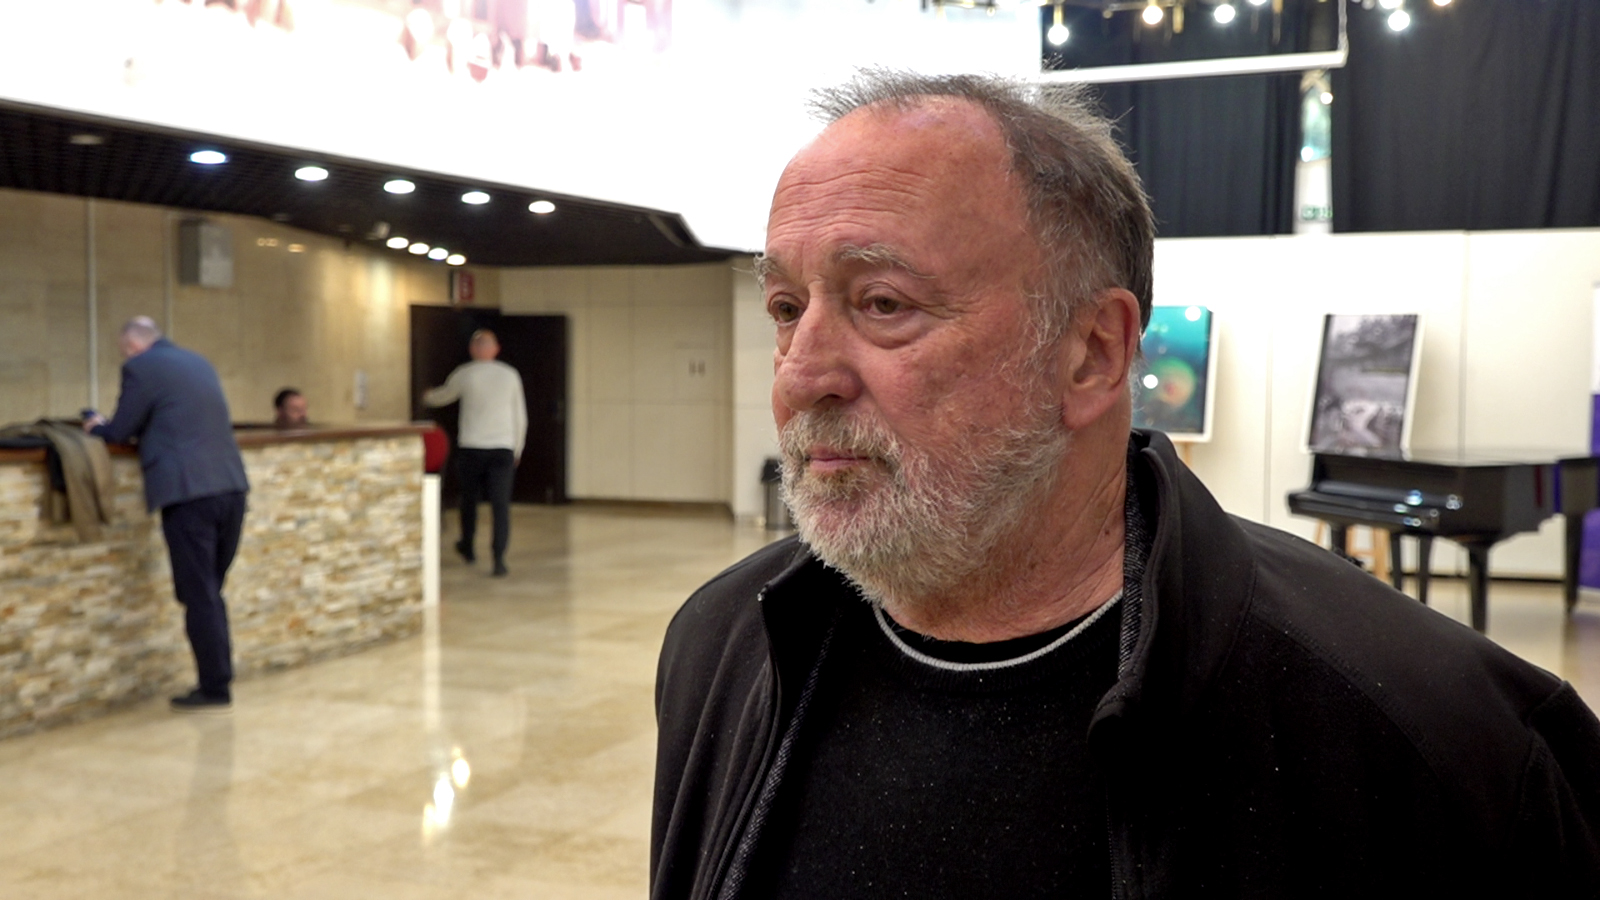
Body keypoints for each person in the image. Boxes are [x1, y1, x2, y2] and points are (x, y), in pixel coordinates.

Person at [651, 71, 1600, 899]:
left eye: (883, 304)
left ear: (1092, 353)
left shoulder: (1438, 740)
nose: (801, 374)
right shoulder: (722, 648)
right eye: (787, 307)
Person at [84, 316, 249, 713]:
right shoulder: (198, 361)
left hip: (188, 492)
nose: (126, 358)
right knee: (209, 590)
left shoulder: (141, 367)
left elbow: (120, 430)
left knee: (199, 593)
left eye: (125, 352)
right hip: (231, 487)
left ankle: (214, 687)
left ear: (133, 346)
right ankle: (219, 677)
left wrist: (95, 426)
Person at [423, 329, 528, 577]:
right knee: (500, 505)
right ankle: (499, 558)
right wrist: (518, 447)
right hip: (503, 448)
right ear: (496, 349)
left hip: (472, 447)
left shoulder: (465, 374)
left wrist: (425, 396)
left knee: (469, 500)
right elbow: (520, 415)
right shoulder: (510, 375)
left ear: (473, 350)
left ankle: (468, 547)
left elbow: (443, 396)